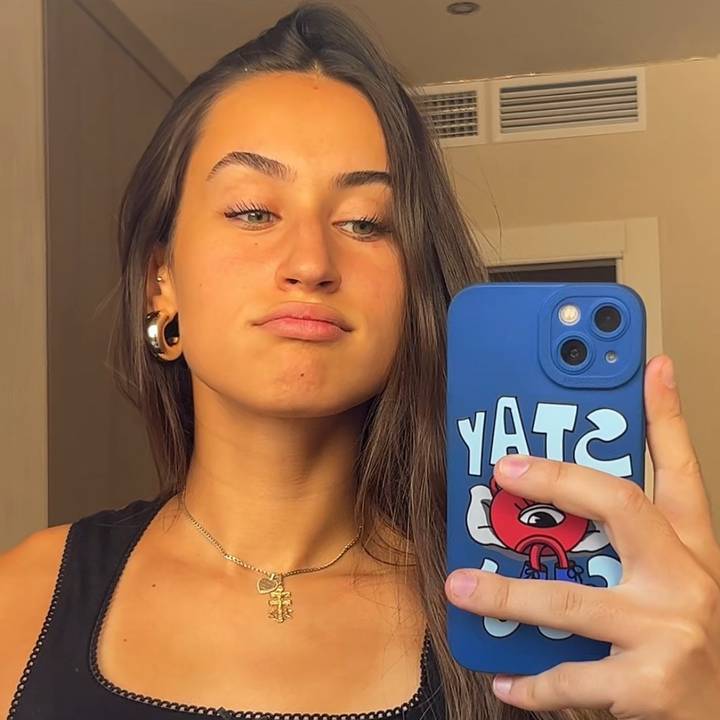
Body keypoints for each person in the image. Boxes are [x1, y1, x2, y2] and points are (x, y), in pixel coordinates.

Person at [1, 3, 719, 720]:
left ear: (413, 290)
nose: (312, 261)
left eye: (366, 223)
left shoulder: (528, 624)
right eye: (253, 211)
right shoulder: (21, 598)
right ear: (161, 280)